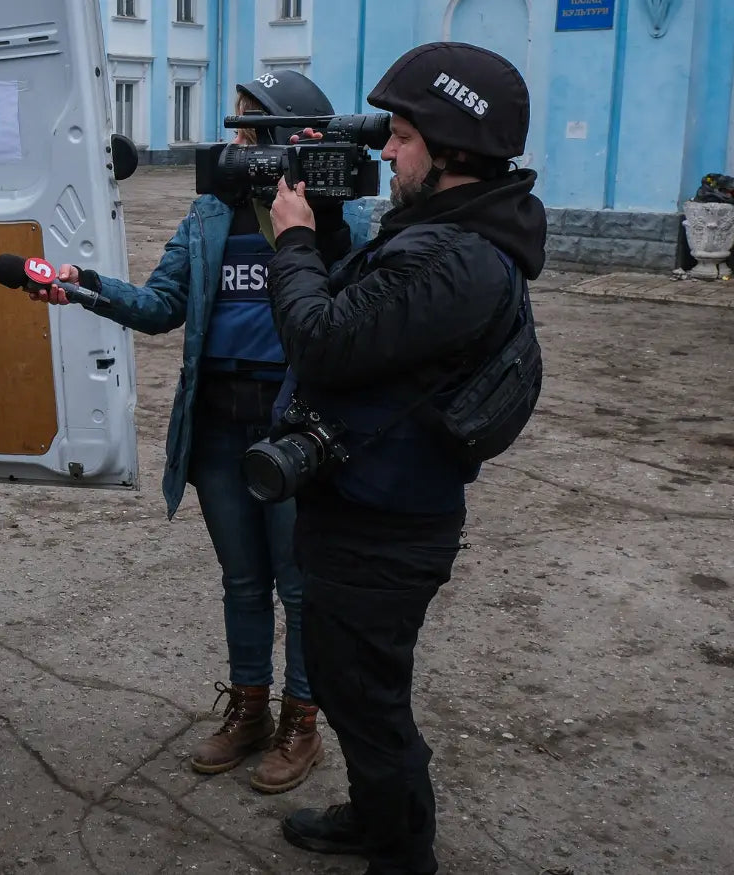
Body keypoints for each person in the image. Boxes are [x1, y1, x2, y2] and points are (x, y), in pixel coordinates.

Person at [28, 71, 369, 794]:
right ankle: (248, 708)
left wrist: (315, 221)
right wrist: (82, 282)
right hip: (217, 424)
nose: (239, 140)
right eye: (238, 125)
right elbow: (159, 306)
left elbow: (362, 323)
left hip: (295, 430)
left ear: (296, 135)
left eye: (252, 126)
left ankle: (301, 721)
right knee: (243, 579)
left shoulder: (341, 217)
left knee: (300, 587)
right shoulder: (210, 214)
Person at [261, 43, 546, 874]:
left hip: (382, 528)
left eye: (404, 136)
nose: (386, 150)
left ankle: (401, 850)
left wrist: (294, 241)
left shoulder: (452, 256)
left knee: (370, 701)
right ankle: (374, 817)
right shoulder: (450, 232)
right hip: (372, 507)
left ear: (453, 148)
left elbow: (321, 341)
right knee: (355, 691)